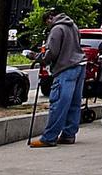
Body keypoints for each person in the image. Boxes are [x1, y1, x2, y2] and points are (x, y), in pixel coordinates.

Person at [30, 11, 84, 147]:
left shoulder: (57, 29)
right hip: (79, 65)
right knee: (74, 103)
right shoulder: (73, 26)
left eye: (46, 23)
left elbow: (52, 53)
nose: (48, 26)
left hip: (65, 68)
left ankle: (49, 137)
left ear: (50, 18)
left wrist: (36, 57)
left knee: (59, 103)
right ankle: (69, 134)